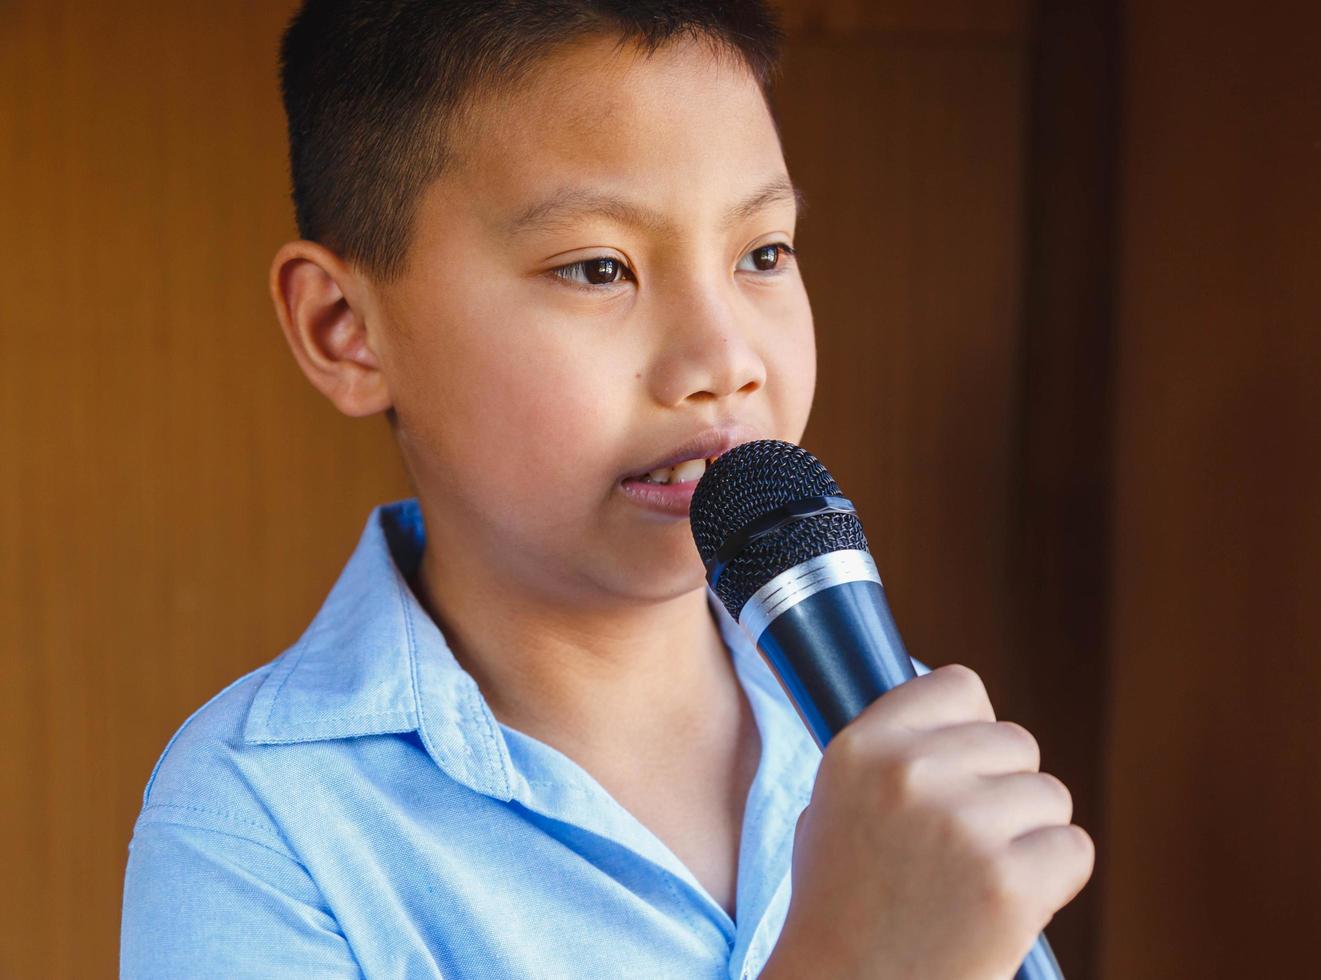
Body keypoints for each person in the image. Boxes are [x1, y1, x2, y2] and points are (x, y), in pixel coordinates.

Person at [119, 2, 1094, 977]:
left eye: (763, 252)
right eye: (598, 267)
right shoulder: (254, 820)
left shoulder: (890, 731)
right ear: (345, 325)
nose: (723, 359)